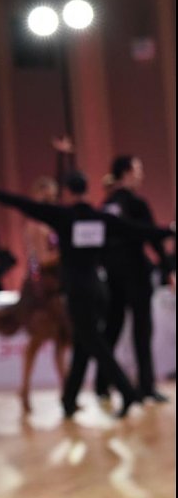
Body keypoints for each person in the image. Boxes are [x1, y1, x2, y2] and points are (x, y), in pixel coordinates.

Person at [0, 171, 173, 418]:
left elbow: (26, 206)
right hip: (98, 288)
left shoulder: (64, 217)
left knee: (94, 342)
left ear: (66, 193)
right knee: (81, 342)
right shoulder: (100, 218)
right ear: (86, 190)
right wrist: (169, 230)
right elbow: (139, 230)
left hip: (77, 290)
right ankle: (69, 399)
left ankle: (126, 390)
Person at [0, 177, 70, 414]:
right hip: (42, 290)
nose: (50, 198)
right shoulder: (35, 225)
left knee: (60, 340)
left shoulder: (50, 223)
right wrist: (69, 252)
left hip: (54, 286)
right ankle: (26, 388)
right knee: (38, 340)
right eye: (45, 193)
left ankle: (66, 390)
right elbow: (43, 259)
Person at [96, 156, 168, 402]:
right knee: (141, 331)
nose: (141, 175)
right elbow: (152, 237)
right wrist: (168, 269)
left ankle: (102, 384)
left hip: (113, 277)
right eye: (138, 170)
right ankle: (145, 386)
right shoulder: (136, 203)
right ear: (126, 173)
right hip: (136, 275)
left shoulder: (106, 205)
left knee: (111, 330)